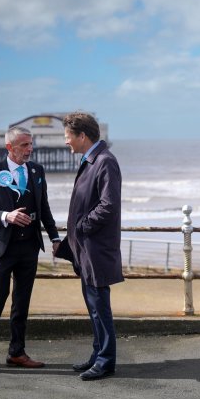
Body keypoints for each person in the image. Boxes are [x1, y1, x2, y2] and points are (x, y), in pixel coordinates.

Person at [0, 125, 61, 376]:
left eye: (31, 144)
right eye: (24, 145)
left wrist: (54, 237)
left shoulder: (37, 171)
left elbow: (44, 208)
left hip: (29, 247)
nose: (30, 150)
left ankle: (17, 352)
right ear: (10, 147)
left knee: (22, 302)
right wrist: (5, 215)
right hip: (3, 248)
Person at [58, 112, 123, 381]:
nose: (66, 143)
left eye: (68, 137)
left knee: (100, 306)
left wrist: (82, 226)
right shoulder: (92, 160)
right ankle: (98, 355)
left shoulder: (105, 162)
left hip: (95, 247)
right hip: (86, 248)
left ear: (82, 136)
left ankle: (106, 360)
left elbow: (108, 205)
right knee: (93, 305)